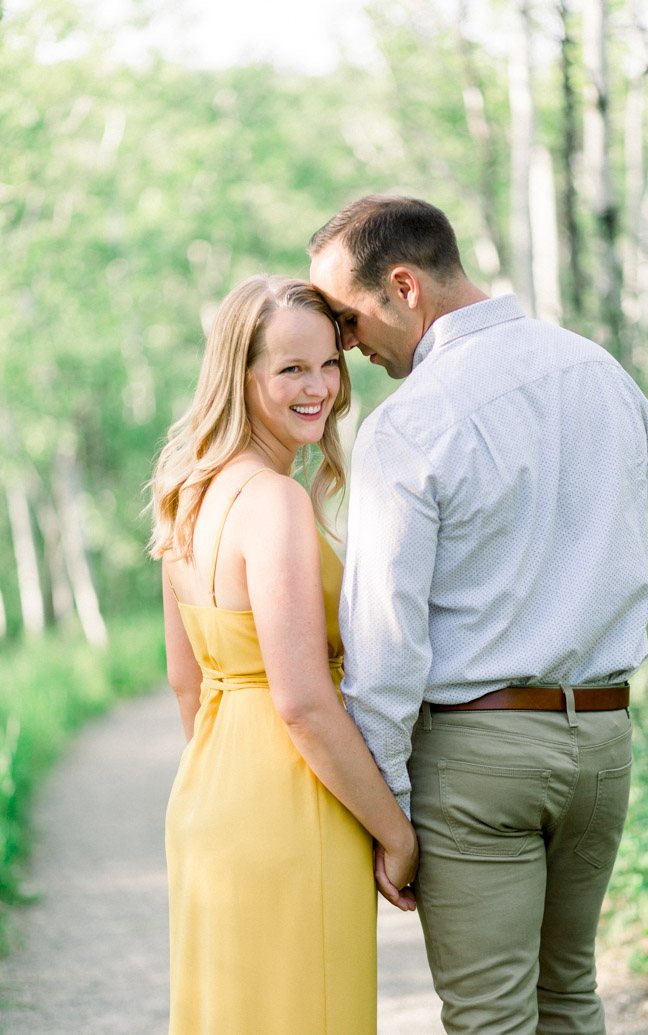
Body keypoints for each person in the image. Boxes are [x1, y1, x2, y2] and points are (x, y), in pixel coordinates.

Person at [308, 196, 648, 1035]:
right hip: (604, 741)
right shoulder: (603, 374)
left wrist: (388, 810)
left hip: (479, 757)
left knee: (490, 1017)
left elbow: (385, 646)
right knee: (570, 995)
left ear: (404, 286)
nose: (348, 345)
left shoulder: (411, 424)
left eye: (349, 318)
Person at [148, 274, 417, 1035]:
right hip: (292, 802)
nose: (321, 388)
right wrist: (396, 833)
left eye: (330, 363)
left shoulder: (186, 492)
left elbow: (184, 682)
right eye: (291, 368)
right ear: (241, 375)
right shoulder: (274, 502)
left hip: (209, 794)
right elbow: (300, 699)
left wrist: (225, 786)